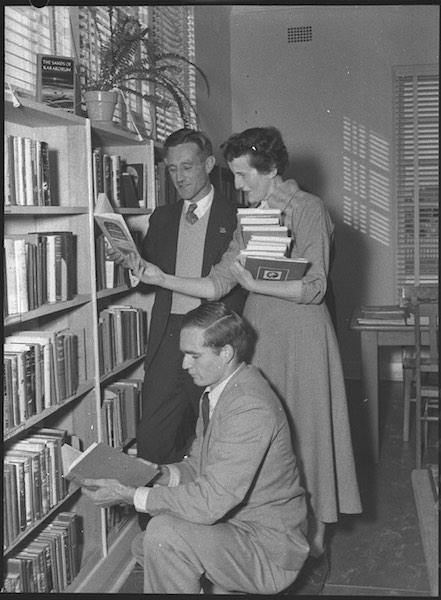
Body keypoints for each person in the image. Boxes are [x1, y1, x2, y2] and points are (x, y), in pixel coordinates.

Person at [125, 126, 362, 591]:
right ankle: (257, 536)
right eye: (233, 175)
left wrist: (257, 285)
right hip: (263, 333)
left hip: (302, 336)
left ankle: (311, 550)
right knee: (264, 439)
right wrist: (160, 276)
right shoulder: (250, 216)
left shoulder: (308, 208)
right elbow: (215, 283)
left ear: (269, 168)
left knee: (306, 439)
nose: (238, 186)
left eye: (242, 175)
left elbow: (314, 289)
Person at [81, 301, 309, 595]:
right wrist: (160, 474)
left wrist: (131, 495)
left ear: (225, 353)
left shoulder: (249, 406)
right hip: (239, 527)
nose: (184, 365)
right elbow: (199, 466)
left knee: (162, 537)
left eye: (194, 356)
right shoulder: (221, 391)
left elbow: (211, 502)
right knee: (147, 543)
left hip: (269, 550)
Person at [125, 129, 246, 480]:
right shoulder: (161, 218)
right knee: (153, 435)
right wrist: (130, 267)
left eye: (187, 167)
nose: (179, 177)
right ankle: (153, 528)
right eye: (172, 169)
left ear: (209, 164)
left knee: (214, 435)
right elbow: (149, 285)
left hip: (214, 337)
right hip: (167, 338)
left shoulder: (236, 217)